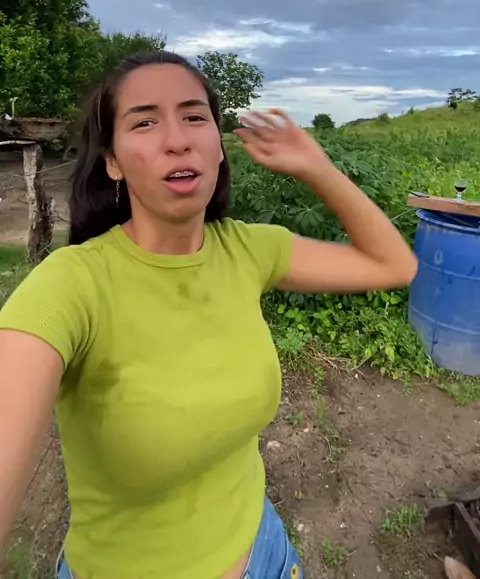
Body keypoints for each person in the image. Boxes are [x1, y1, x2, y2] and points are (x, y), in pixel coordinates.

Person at [0, 51, 417, 579]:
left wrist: (317, 167)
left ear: (218, 147)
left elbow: (394, 264)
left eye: (195, 117)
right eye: (144, 122)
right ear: (112, 161)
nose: (178, 139)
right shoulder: (70, 286)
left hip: (267, 552)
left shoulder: (248, 249)